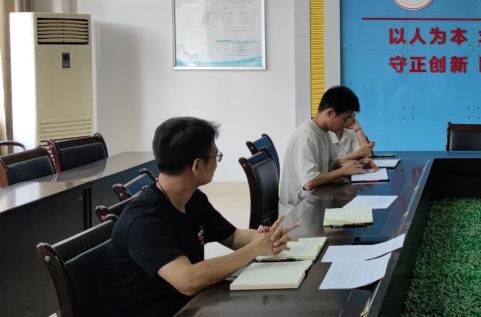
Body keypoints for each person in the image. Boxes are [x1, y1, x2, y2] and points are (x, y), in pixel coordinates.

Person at [101, 117, 297, 317]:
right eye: (216, 157)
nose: (217, 164)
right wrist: (254, 249)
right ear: (197, 165)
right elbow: (188, 280)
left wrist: (266, 238)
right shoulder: (144, 220)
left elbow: (233, 237)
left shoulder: (193, 198)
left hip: (191, 306)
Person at [279, 86, 376, 214]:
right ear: (330, 113)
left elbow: (332, 163)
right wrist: (343, 171)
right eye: (344, 118)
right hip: (298, 211)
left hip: (315, 200)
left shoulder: (323, 132)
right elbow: (310, 181)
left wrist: (361, 165)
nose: (346, 123)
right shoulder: (306, 136)